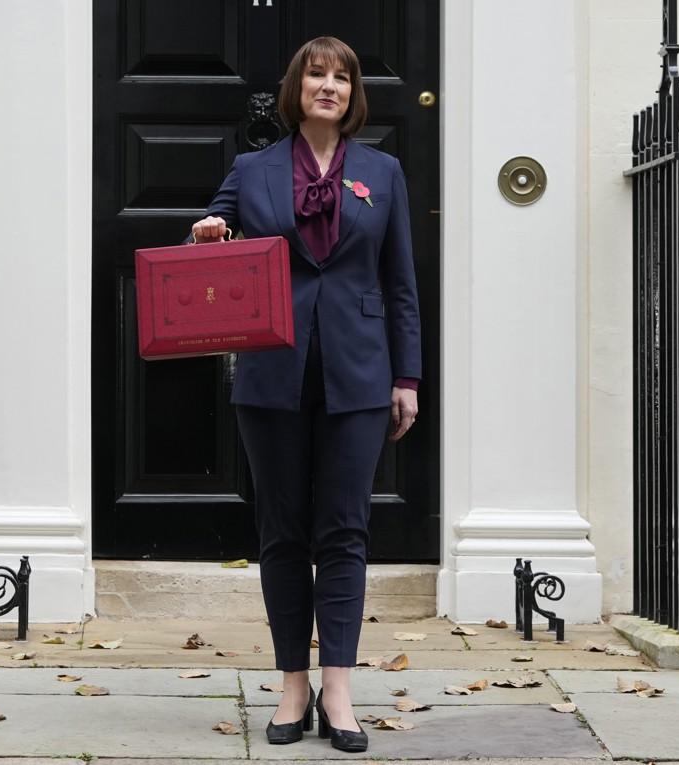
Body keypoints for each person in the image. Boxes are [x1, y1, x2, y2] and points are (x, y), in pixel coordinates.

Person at [187, 36, 421, 753]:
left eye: (341, 76)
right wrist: (208, 234)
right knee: (283, 532)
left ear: (353, 94)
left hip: (358, 371)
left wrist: (405, 376)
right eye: (317, 74)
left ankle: (339, 687)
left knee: (345, 530)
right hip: (272, 372)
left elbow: (400, 283)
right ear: (297, 88)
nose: (329, 85)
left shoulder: (383, 172)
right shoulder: (253, 170)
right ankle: (293, 681)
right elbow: (209, 242)